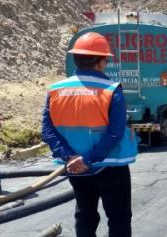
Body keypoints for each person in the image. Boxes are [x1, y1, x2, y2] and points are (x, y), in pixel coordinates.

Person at [42, 32, 138, 237]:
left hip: (75, 168)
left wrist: (71, 157)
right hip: (111, 166)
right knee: (119, 217)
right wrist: (88, 158)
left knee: (85, 215)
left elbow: (48, 131)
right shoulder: (111, 90)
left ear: (76, 58)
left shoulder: (55, 91)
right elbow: (115, 133)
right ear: (102, 61)